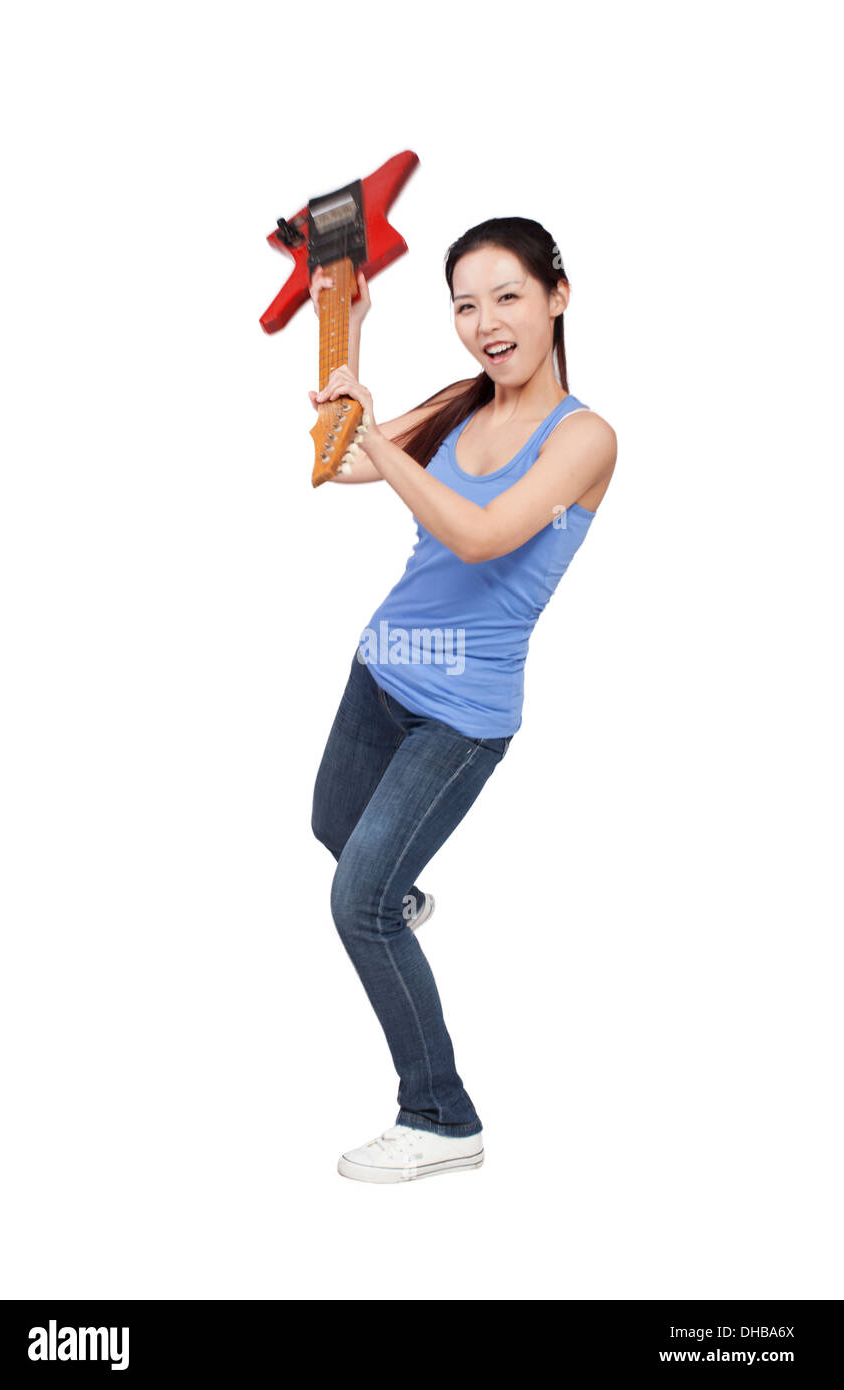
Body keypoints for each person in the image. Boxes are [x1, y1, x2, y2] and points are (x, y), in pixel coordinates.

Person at [308, 217, 617, 1183]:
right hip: (383, 666)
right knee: (333, 827)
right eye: (464, 303)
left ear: (557, 297)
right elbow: (338, 459)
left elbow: (483, 536)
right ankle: (402, 892)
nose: (486, 322)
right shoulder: (459, 404)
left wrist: (380, 434)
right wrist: (346, 335)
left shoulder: (586, 439)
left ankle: (440, 1115)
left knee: (357, 901)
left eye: (507, 296)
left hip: (463, 711)